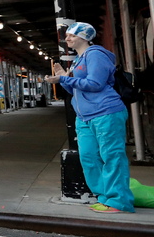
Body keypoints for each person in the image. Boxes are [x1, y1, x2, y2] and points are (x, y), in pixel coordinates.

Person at [45, 21, 134, 213]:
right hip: (84, 116)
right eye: (67, 35)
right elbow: (74, 88)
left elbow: (95, 84)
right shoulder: (79, 59)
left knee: (112, 156)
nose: (67, 38)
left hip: (106, 112)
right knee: (88, 157)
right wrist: (63, 78)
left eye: (72, 35)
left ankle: (118, 201)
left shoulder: (95, 55)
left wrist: (64, 78)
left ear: (84, 38)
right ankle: (105, 197)